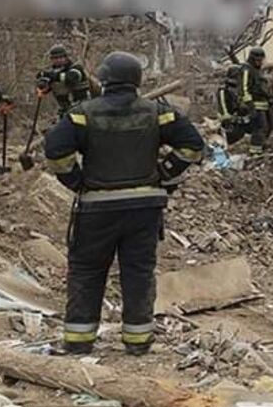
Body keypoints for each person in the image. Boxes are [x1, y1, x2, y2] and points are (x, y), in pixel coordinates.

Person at [44, 51, 204, 355]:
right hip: (144, 208)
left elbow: (55, 151)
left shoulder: (82, 113)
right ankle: (138, 341)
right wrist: (165, 173)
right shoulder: (158, 112)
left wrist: (77, 181)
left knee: (88, 271)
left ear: (103, 80)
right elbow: (193, 145)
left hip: (96, 208)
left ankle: (79, 341)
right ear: (137, 80)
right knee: (138, 271)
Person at [36, 44, 99, 117]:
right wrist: (42, 82)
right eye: (55, 58)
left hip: (83, 109)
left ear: (66, 57)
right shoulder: (52, 74)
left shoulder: (76, 69)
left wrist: (50, 75)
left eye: (61, 57)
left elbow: (70, 79)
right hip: (65, 111)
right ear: (51, 60)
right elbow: (44, 90)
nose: (58, 60)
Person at [237, 47, 271, 155]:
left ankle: (261, 146)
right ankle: (255, 152)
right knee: (259, 128)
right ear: (252, 58)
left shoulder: (258, 70)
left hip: (263, 105)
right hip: (254, 105)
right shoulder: (246, 69)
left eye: (261, 60)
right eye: (258, 60)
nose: (260, 62)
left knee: (268, 127)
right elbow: (244, 88)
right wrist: (250, 105)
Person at [215, 66, 250, 145]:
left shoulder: (239, 89)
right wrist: (227, 119)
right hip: (228, 122)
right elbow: (223, 106)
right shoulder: (223, 90)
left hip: (239, 121)